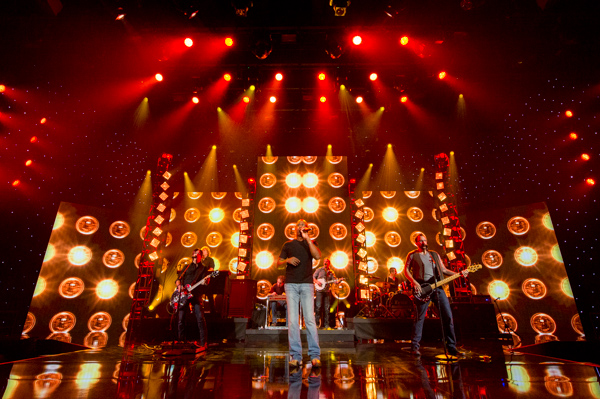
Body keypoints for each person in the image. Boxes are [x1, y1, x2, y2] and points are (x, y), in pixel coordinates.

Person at [404, 234, 465, 357]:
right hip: (422, 288)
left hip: (437, 287)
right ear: (416, 243)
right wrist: (415, 283)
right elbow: (405, 270)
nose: (423, 242)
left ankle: (452, 347)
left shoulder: (434, 255)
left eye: (425, 240)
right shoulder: (412, 255)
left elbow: (443, 270)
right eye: (420, 241)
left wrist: (459, 274)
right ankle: (414, 347)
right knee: (419, 318)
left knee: (447, 316)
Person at [277, 219, 322, 368]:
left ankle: (315, 355)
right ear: (295, 229)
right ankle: (295, 356)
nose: (301, 227)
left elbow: (317, 257)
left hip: (307, 284)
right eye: (299, 225)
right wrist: (287, 260)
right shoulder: (288, 245)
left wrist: (308, 239)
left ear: (307, 229)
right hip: (291, 285)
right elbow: (278, 263)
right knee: (293, 321)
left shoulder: (310, 243)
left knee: (309, 319)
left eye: (304, 225)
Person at [177, 248, 209, 350]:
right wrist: (179, 287)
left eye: (197, 255)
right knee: (181, 319)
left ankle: (203, 342)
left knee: (200, 318)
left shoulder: (203, 268)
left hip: (196, 294)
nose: (195, 257)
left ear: (200, 256)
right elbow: (178, 280)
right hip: (184, 295)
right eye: (194, 255)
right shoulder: (186, 267)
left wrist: (205, 281)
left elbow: (206, 282)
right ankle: (181, 341)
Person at [313, 258, 340, 329]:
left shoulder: (331, 272)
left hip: (327, 291)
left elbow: (335, 281)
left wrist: (338, 281)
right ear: (323, 262)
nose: (325, 263)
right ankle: (316, 324)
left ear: (329, 264)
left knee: (327, 308)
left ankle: (326, 324)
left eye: (327, 262)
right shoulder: (319, 270)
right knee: (318, 307)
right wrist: (317, 282)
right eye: (324, 261)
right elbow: (313, 277)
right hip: (319, 291)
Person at [198, 246, 217, 315]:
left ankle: (213, 310)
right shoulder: (199, 260)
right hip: (199, 280)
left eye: (205, 250)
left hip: (207, 280)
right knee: (197, 294)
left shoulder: (210, 259)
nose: (203, 251)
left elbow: (212, 268)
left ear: (208, 252)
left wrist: (207, 273)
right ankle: (198, 310)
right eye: (202, 250)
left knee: (209, 294)